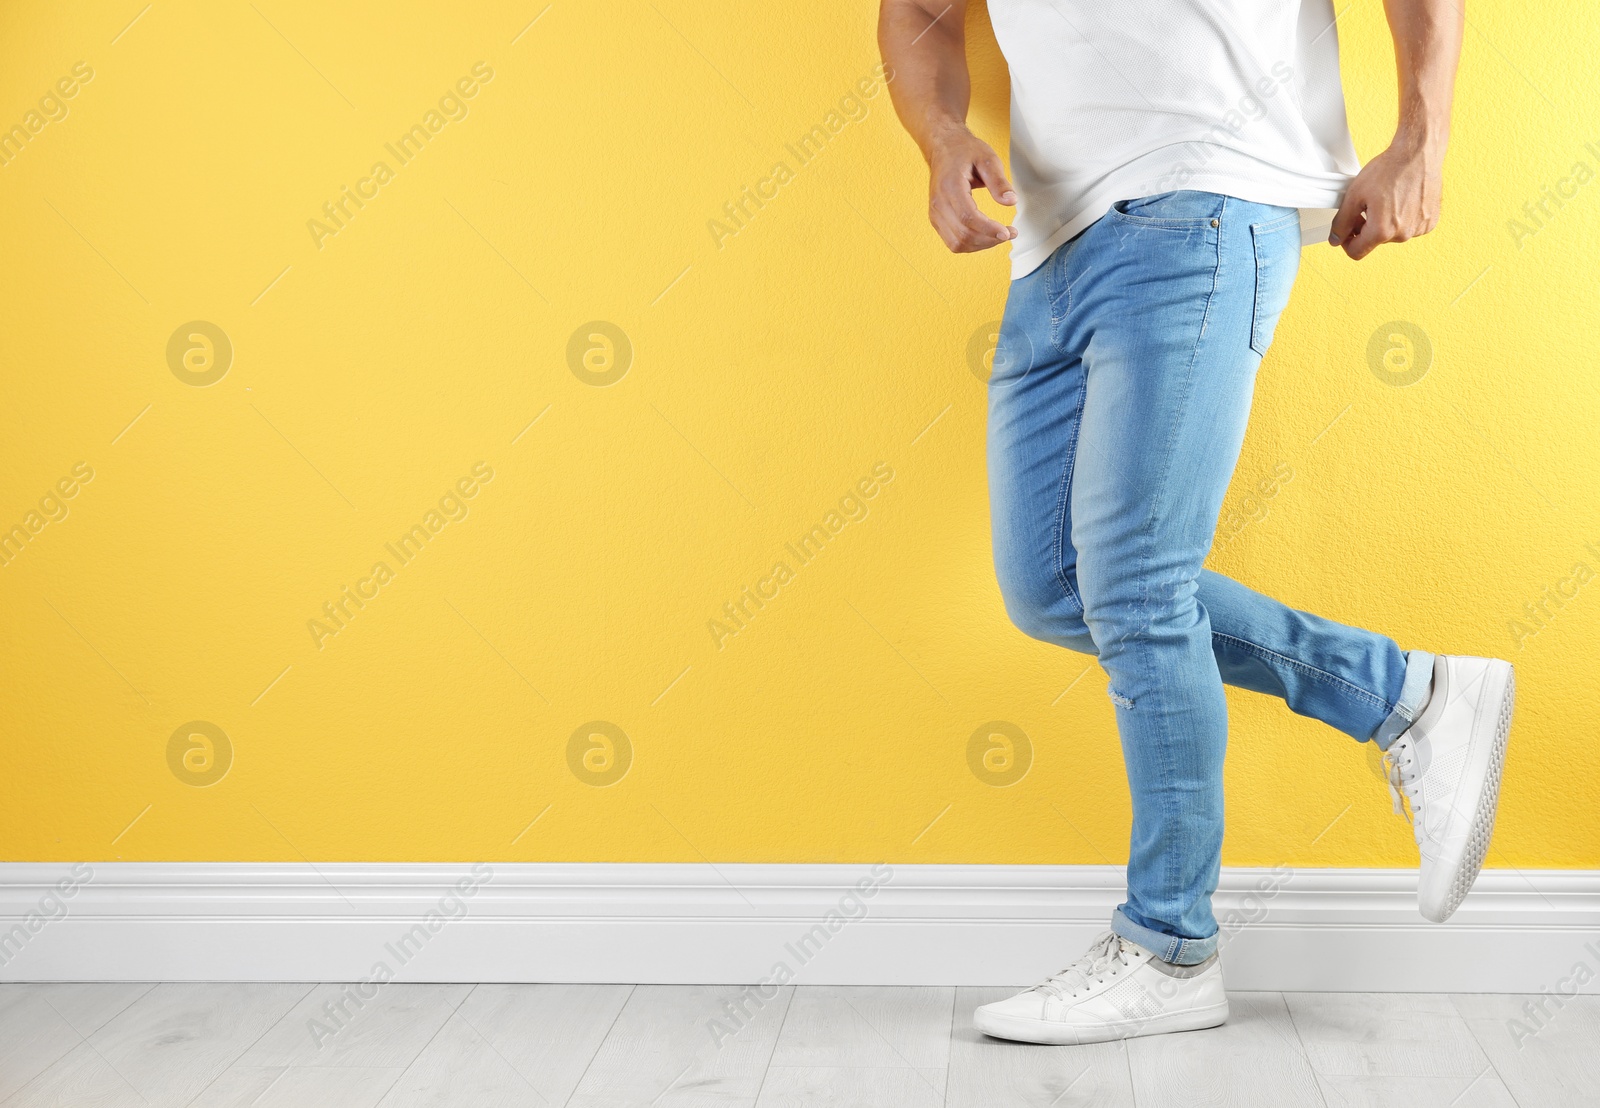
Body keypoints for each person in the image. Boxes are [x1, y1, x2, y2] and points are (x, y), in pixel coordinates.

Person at [878, 0, 1514, 1045]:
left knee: (1133, 584)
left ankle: (1170, 945)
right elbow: (917, 13)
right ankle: (1408, 695)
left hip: (1203, 202)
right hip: (1048, 240)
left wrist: (1421, 136)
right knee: (1052, 590)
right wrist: (941, 138)